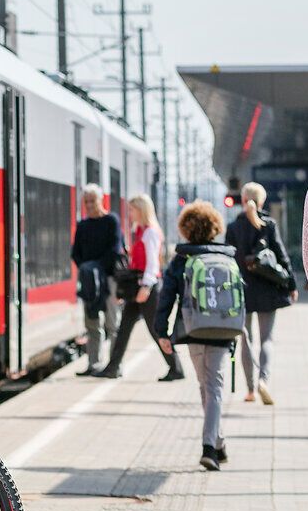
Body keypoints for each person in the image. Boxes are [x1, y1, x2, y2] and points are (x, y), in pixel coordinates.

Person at [155, 201, 239, 470]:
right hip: (224, 328)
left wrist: (162, 331)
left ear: (186, 229)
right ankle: (215, 444)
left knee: (206, 386)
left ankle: (211, 446)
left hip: (192, 328)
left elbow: (166, 295)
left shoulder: (181, 259)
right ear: (214, 227)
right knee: (212, 386)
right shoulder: (227, 256)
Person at [98, 193, 183, 381]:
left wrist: (146, 287)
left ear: (141, 210)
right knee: (124, 328)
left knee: (155, 329)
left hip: (148, 287)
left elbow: (153, 264)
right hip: (138, 287)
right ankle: (112, 367)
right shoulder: (141, 230)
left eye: (132, 209)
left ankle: (176, 368)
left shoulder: (150, 232)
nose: (129, 213)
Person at [227, 181, 296, 403]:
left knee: (246, 339)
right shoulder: (269, 224)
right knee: (267, 339)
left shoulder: (233, 227)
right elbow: (282, 256)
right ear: (262, 200)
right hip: (267, 290)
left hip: (242, 291)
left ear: (243, 198)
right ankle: (263, 380)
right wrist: (292, 284)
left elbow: (228, 260)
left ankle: (249, 390)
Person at [70, 184, 124, 375]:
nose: (90, 204)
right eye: (87, 201)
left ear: (101, 200)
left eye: (93, 200)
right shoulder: (83, 225)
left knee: (112, 323)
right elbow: (75, 252)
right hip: (90, 282)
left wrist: (97, 267)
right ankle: (93, 364)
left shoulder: (111, 221)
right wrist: (87, 270)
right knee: (91, 323)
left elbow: (115, 249)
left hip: (109, 278)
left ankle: (114, 365)